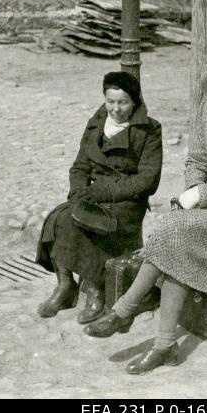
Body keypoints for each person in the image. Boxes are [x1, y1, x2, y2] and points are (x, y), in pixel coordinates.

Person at [85, 41, 207, 375]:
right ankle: (163, 344)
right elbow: (197, 159)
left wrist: (200, 197)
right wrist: (192, 190)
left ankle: (125, 311)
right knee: (177, 235)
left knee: (173, 230)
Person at [35, 72, 163, 324]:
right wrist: (77, 191)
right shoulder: (96, 123)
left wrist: (102, 192)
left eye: (123, 102)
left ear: (135, 101)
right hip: (94, 195)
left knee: (86, 226)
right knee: (60, 217)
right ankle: (65, 285)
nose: (116, 109)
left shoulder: (149, 130)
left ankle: (95, 289)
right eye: (110, 101)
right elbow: (79, 166)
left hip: (126, 202)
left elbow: (147, 181)